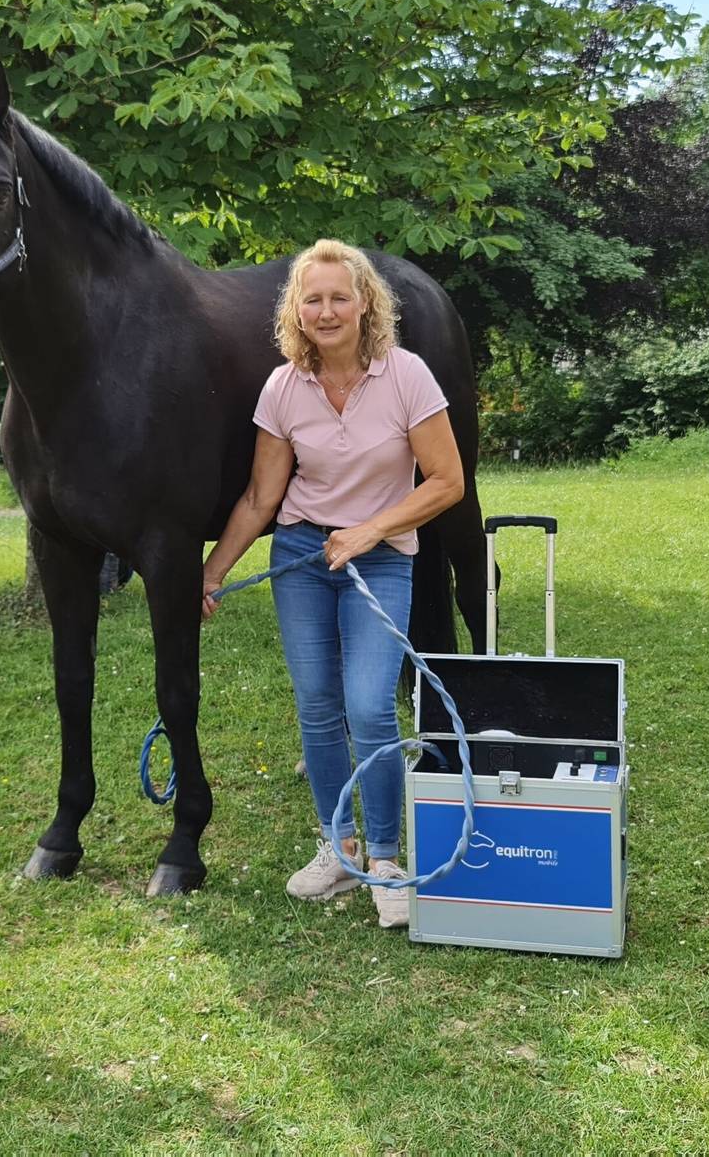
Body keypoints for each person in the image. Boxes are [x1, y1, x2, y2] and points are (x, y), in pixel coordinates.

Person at [200, 239, 465, 929]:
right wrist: (213, 572)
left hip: (379, 559)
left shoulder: (406, 376)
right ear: (297, 309)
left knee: (371, 705)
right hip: (304, 557)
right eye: (311, 299)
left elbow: (447, 482)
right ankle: (337, 846)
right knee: (317, 705)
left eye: (339, 297)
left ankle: (383, 858)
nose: (326, 311)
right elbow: (261, 498)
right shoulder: (283, 387)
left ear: (365, 304)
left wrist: (372, 529)